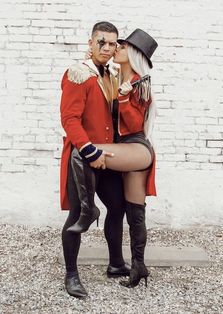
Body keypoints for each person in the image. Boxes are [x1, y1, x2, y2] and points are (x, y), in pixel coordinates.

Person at [68, 28, 158, 288]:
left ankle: (88, 211)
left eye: (122, 46)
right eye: (114, 44)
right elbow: (97, 75)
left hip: (136, 148)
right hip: (124, 152)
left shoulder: (140, 83)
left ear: (133, 54)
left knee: (81, 152)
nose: (115, 48)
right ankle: (137, 266)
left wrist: (126, 97)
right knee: (134, 210)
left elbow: (133, 124)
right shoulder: (117, 75)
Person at [60, 21, 131, 299]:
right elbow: (69, 119)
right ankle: (71, 274)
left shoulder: (114, 73)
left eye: (112, 43)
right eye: (101, 42)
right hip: (83, 157)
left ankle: (115, 264)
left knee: (118, 207)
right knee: (78, 216)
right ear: (90, 43)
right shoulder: (78, 73)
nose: (106, 47)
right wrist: (90, 151)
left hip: (109, 157)